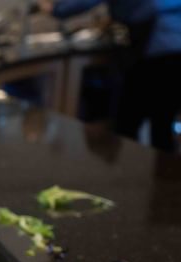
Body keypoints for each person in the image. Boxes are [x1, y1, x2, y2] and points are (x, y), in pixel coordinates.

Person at [39, 0, 181, 151]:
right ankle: (159, 165)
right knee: (162, 124)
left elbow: (77, 4)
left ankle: (128, 164)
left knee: (127, 124)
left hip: (154, 53)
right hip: (173, 52)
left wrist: (52, 8)